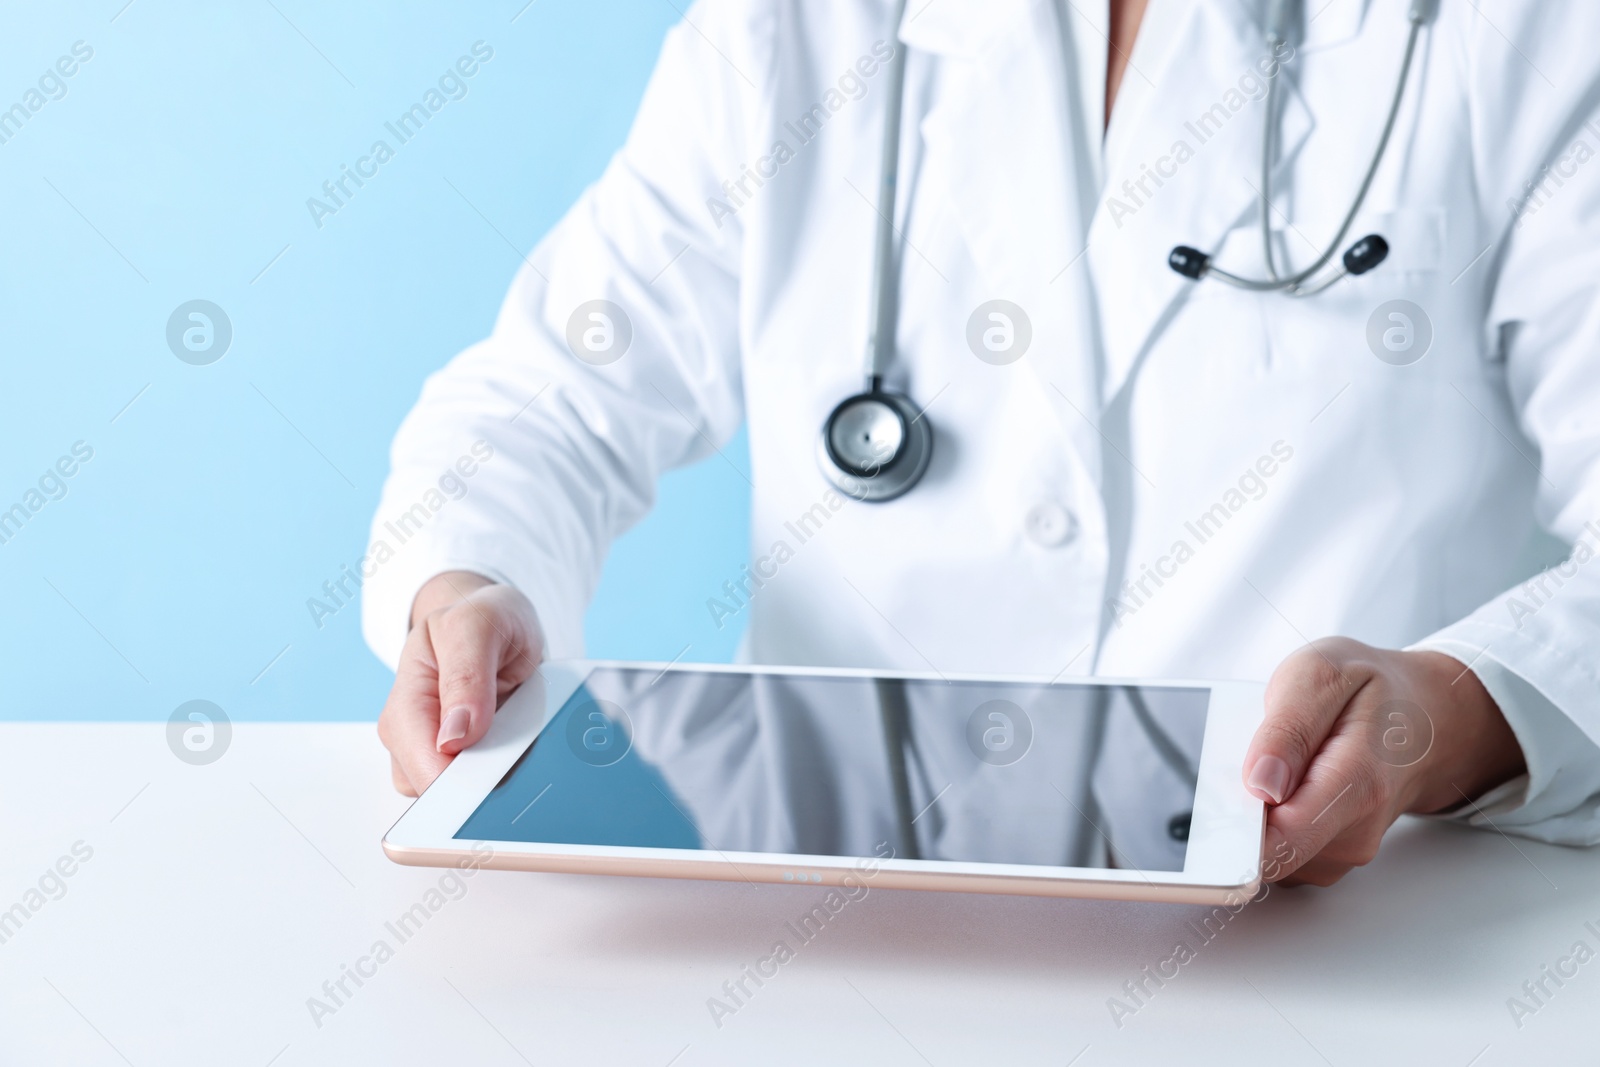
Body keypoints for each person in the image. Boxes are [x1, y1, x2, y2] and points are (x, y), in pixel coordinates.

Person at [365, 0, 1600, 887]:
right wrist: (466, 578)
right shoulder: (787, 34)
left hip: (1351, 926)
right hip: (826, 917)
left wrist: (1443, 711)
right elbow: (545, 399)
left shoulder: (1528, 39)